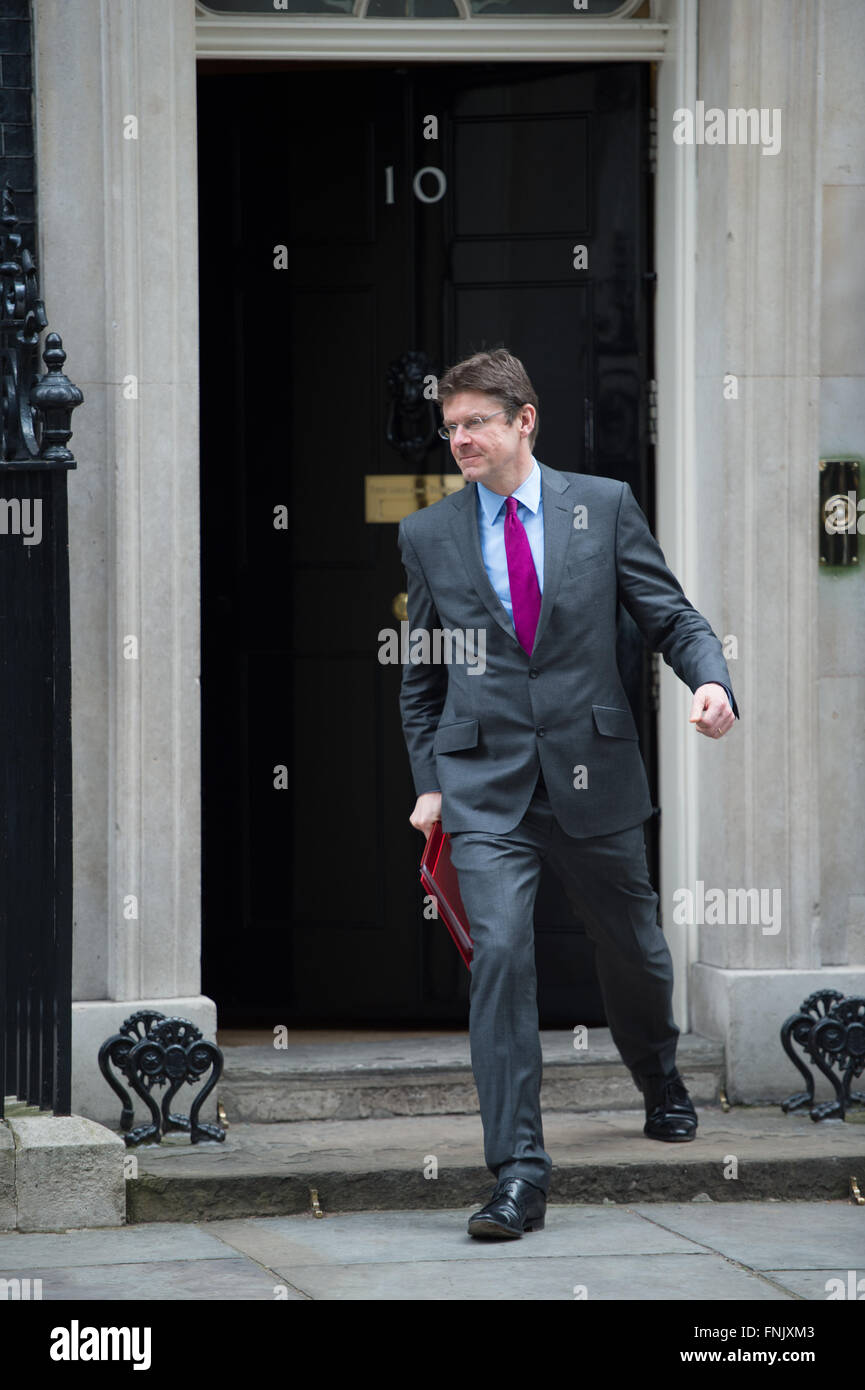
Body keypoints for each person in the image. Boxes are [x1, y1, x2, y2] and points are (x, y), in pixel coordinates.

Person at [397, 349, 738, 1240]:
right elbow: (421, 677)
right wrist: (430, 782)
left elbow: (670, 615)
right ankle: (517, 1173)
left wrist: (712, 682)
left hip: (594, 772)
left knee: (632, 948)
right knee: (502, 954)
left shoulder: (603, 506)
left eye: (474, 421)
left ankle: (658, 1076)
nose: (459, 439)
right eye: (451, 426)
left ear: (524, 420)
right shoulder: (428, 534)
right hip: (484, 787)